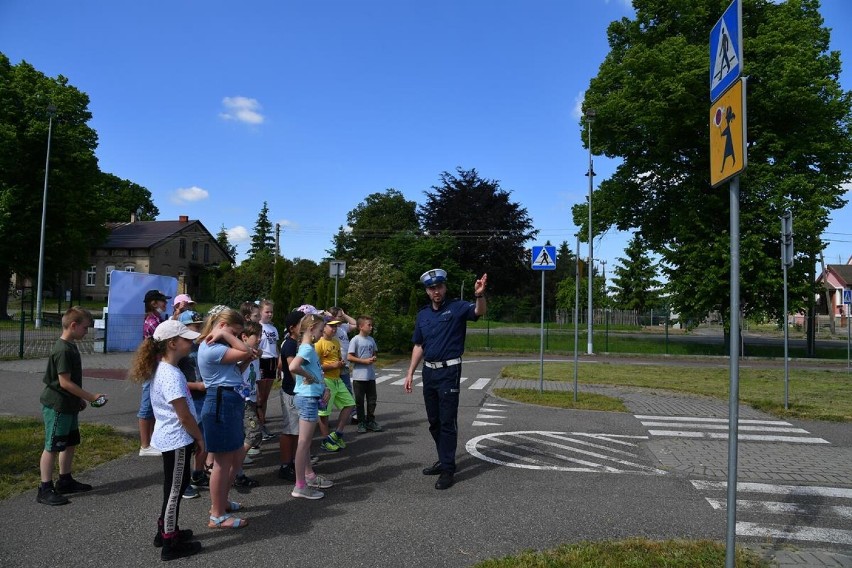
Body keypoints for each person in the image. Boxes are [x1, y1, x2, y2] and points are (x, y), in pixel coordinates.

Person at [404, 269, 487, 490]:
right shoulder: (423, 315)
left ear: (445, 287)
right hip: (428, 372)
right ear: (427, 291)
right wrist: (410, 372)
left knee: (447, 421)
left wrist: (479, 294)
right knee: (434, 421)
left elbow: (478, 312)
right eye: (432, 288)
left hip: (449, 372)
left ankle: (448, 469)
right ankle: (444, 458)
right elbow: (418, 345)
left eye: (439, 287)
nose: (436, 291)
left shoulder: (458, 307)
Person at [128, 320, 204, 561]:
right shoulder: (170, 375)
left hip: (173, 438)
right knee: (175, 490)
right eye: (187, 339)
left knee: (175, 487)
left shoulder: (165, 368)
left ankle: (165, 531)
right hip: (177, 439)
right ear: (172, 343)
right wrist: (200, 438)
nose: (191, 342)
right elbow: (183, 415)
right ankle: (170, 543)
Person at [37, 307, 106, 506]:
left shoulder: (71, 345)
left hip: (69, 404)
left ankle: (65, 480)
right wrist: (91, 396)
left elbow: (71, 383)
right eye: (85, 328)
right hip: (57, 405)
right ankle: (45, 488)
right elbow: (64, 382)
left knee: (69, 442)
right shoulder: (62, 349)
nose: (87, 331)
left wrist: (78, 399)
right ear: (73, 326)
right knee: (52, 445)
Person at [197, 306, 251, 529]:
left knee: (230, 458)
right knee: (221, 463)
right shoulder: (212, 347)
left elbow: (237, 367)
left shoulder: (218, 347)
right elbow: (246, 351)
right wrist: (227, 336)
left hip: (228, 400)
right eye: (234, 332)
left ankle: (220, 503)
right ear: (221, 326)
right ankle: (216, 515)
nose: (236, 337)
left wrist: (242, 351)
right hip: (221, 402)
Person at [288, 314, 335, 499]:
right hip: (307, 399)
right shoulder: (307, 348)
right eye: (320, 330)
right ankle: (300, 486)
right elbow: (293, 367)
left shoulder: (308, 347)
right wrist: (310, 377)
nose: (322, 333)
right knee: (303, 443)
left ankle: (308, 477)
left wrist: (321, 385)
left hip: (309, 397)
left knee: (305, 443)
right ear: (311, 328)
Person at [176, 310, 208, 500]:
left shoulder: (201, 346)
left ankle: (198, 473)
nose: (199, 330)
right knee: (188, 441)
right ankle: (184, 481)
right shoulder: (181, 353)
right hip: (189, 398)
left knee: (204, 439)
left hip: (204, 397)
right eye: (195, 327)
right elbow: (176, 381)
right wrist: (197, 385)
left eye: (199, 326)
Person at [314, 317, 356, 452]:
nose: (334, 329)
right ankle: (325, 441)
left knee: (349, 404)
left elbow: (337, 359)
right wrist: (333, 365)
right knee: (324, 413)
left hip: (337, 379)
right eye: (331, 326)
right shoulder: (318, 344)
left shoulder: (336, 342)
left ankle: (337, 434)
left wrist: (340, 364)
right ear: (323, 327)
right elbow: (315, 367)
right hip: (326, 381)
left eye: (336, 326)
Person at [140, 289, 171, 457]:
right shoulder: (153, 322)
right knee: (146, 405)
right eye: (162, 301)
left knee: (153, 403)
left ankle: (151, 441)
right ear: (153, 303)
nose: (165, 304)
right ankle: (145, 445)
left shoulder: (158, 319)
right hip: (152, 366)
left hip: (157, 365)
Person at [276, 310, 306, 481]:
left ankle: (294, 461)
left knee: (297, 431)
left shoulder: (298, 342)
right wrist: (305, 384)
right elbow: (291, 367)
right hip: (291, 391)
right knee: (290, 430)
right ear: (293, 327)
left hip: (297, 391)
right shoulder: (289, 344)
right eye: (302, 323)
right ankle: (285, 464)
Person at [234, 320, 262, 488]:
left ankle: (238, 472)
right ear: (244, 337)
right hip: (241, 399)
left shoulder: (255, 353)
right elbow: (236, 372)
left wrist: (257, 398)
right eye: (256, 336)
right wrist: (246, 357)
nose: (259, 339)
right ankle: (234, 467)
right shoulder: (238, 352)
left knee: (243, 437)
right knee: (254, 433)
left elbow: (254, 378)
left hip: (250, 399)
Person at [348, 315, 381, 433]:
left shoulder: (371, 339)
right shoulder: (355, 340)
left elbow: (374, 352)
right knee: (360, 401)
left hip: (370, 375)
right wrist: (364, 361)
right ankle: (361, 422)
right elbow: (349, 357)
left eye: (372, 325)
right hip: (359, 376)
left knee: (372, 400)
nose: (371, 327)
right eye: (369, 325)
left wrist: (374, 358)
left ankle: (371, 421)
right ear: (361, 326)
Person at [327, 306, 357, 422]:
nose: (342, 319)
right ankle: (325, 417)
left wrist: (344, 315)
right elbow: (324, 320)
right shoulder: (332, 328)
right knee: (329, 391)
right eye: (339, 316)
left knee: (347, 389)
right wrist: (330, 317)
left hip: (344, 364)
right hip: (333, 364)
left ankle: (353, 414)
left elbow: (355, 324)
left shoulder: (343, 327)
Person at [256, 299, 279, 441]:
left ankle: (262, 424)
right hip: (261, 361)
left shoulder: (273, 328)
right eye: (267, 312)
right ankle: (257, 426)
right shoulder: (258, 327)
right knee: (259, 397)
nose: (269, 314)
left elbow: (275, 346)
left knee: (265, 398)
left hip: (272, 361)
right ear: (260, 312)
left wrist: (279, 362)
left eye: (271, 312)